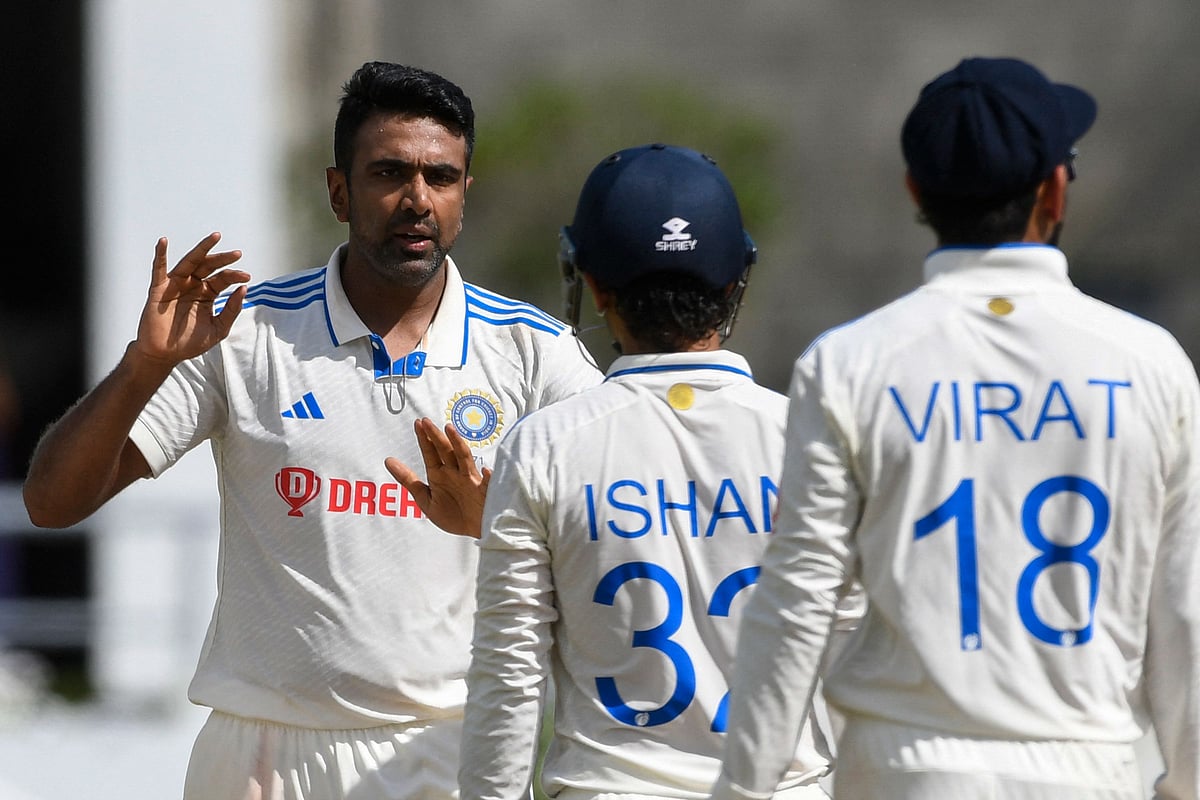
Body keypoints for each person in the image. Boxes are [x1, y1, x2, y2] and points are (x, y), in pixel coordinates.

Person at [22, 61, 601, 800]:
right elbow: (52, 503)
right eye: (389, 172)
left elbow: (612, 537)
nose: (417, 199)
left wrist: (495, 521)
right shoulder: (244, 332)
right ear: (339, 191)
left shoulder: (534, 351)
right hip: (260, 753)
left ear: (464, 198)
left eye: (441, 177)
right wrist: (143, 366)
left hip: (444, 747)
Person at [712, 56, 1200, 800]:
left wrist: (745, 790)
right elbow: (1181, 607)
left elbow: (796, 602)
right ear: (1056, 186)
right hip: (1087, 769)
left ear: (916, 190)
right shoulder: (1150, 363)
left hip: (901, 769)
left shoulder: (848, 363)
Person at [441, 143, 836, 800]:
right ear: (737, 281)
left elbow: (508, 685)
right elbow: (851, 663)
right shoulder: (811, 439)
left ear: (591, 284)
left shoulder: (544, 446)